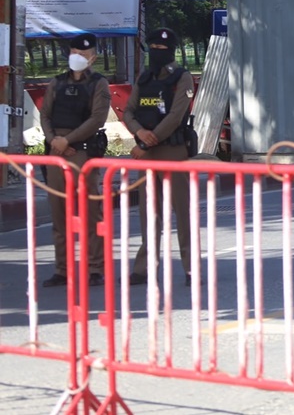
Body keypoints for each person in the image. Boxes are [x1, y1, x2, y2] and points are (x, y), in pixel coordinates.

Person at [124, 28, 196, 286]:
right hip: (147, 154)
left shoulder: (182, 78)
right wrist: (139, 132)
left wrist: (146, 140)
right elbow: (128, 112)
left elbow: (176, 116)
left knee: (183, 212)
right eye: (153, 48)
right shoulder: (144, 79)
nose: (157, 52)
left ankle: (191, 268)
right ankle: (144, 268)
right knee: (149, 213)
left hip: (173, 152)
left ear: (172, 51)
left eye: (162, 49)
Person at [40, 32, 111, 288]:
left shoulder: (99, 84)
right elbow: (45, 115)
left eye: (83, 54)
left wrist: (67, 141)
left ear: (93, 58)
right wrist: (54, 140)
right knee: (59, 212)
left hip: (82, 152)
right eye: (73, 52)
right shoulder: (57, 83)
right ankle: (63, 269)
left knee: (90, 212)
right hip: (57, 153)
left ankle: (95, 268)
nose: (77, 57)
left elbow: (97, 119)